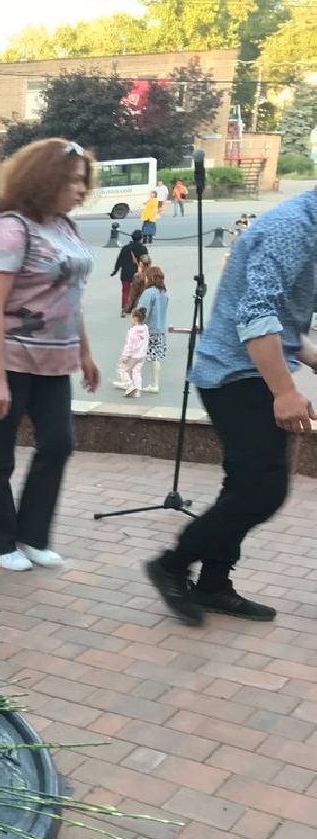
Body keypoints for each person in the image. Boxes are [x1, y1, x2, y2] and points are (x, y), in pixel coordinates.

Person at [145, 190, 317, 626]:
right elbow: (255, 314)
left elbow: (283, 321)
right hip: (234, 375)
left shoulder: (306, 227)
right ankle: (172, 564)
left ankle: (214, 585)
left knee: (245, 486)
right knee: (264, 490)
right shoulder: (290, 229)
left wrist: (305, 360)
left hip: (248, 370)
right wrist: (284, 391)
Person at [0, 137, 99, 573]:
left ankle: (31, 535)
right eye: (74, 181)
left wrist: (85, 352)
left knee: (58, 443)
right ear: (45, 180)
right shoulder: (11, 228)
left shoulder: (64, 226)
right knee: (0, 452)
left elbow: (70, 297)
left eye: (84, 182)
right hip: (7, 353)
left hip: (54, 357)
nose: (82, 190)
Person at [136, 266, 169, 393]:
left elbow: (143, 311)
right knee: (155, 357)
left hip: (148, 329)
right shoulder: (163, 293)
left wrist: (136, 324)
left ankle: (130, 380)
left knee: (135, 354)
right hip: (160, 328)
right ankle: (155, 383)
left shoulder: (149, 293)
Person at [114, 308, 150, 398]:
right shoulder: (145, 328)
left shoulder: (133, 331)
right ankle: (137, 390)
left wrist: (125, 356)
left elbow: (129, 345)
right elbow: (146, 341)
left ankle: (129, 386)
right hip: (142, 354)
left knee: (124, 369)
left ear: (135, 318)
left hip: (133, 355)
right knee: (136, 371)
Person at [111, 230, 149, 315]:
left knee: (126, 291)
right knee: (138, 291)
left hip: (125, 274)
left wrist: (115, 270)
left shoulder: (125, 248)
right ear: (141, 238)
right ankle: (135, 308)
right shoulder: (143, 248)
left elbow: (119, 260)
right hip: (138, 274)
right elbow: (146, 262)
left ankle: (125, 308)